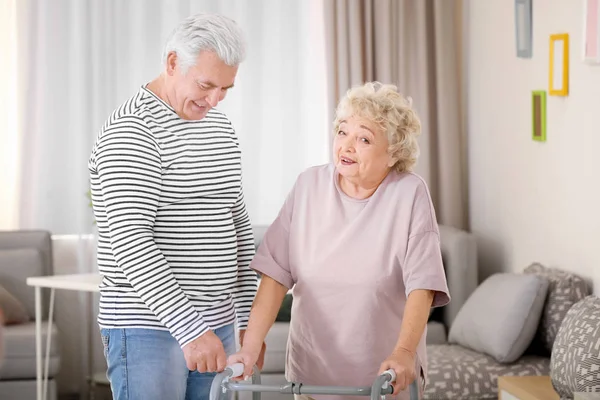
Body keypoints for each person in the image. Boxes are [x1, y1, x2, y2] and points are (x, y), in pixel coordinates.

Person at [228, 82, 451, 400]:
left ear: (393, 153)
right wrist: (250, 346)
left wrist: (404, 352)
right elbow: (275, 274)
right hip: (311, 376)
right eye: (342, 132)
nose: (347, 146)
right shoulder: (309, 186)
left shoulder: (409, 193)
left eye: (364, 138)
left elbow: (422, 285)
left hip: (385, 378)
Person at [88, 13, 264, 400]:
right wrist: (190, 329)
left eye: (225, 88)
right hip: (149, 329)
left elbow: (235, 222)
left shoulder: (219, 128)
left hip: (215, 326)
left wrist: (251, 319)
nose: (215, 100)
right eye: (206, 85)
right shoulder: (132, 131)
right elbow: (131, 241)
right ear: (172, 63)